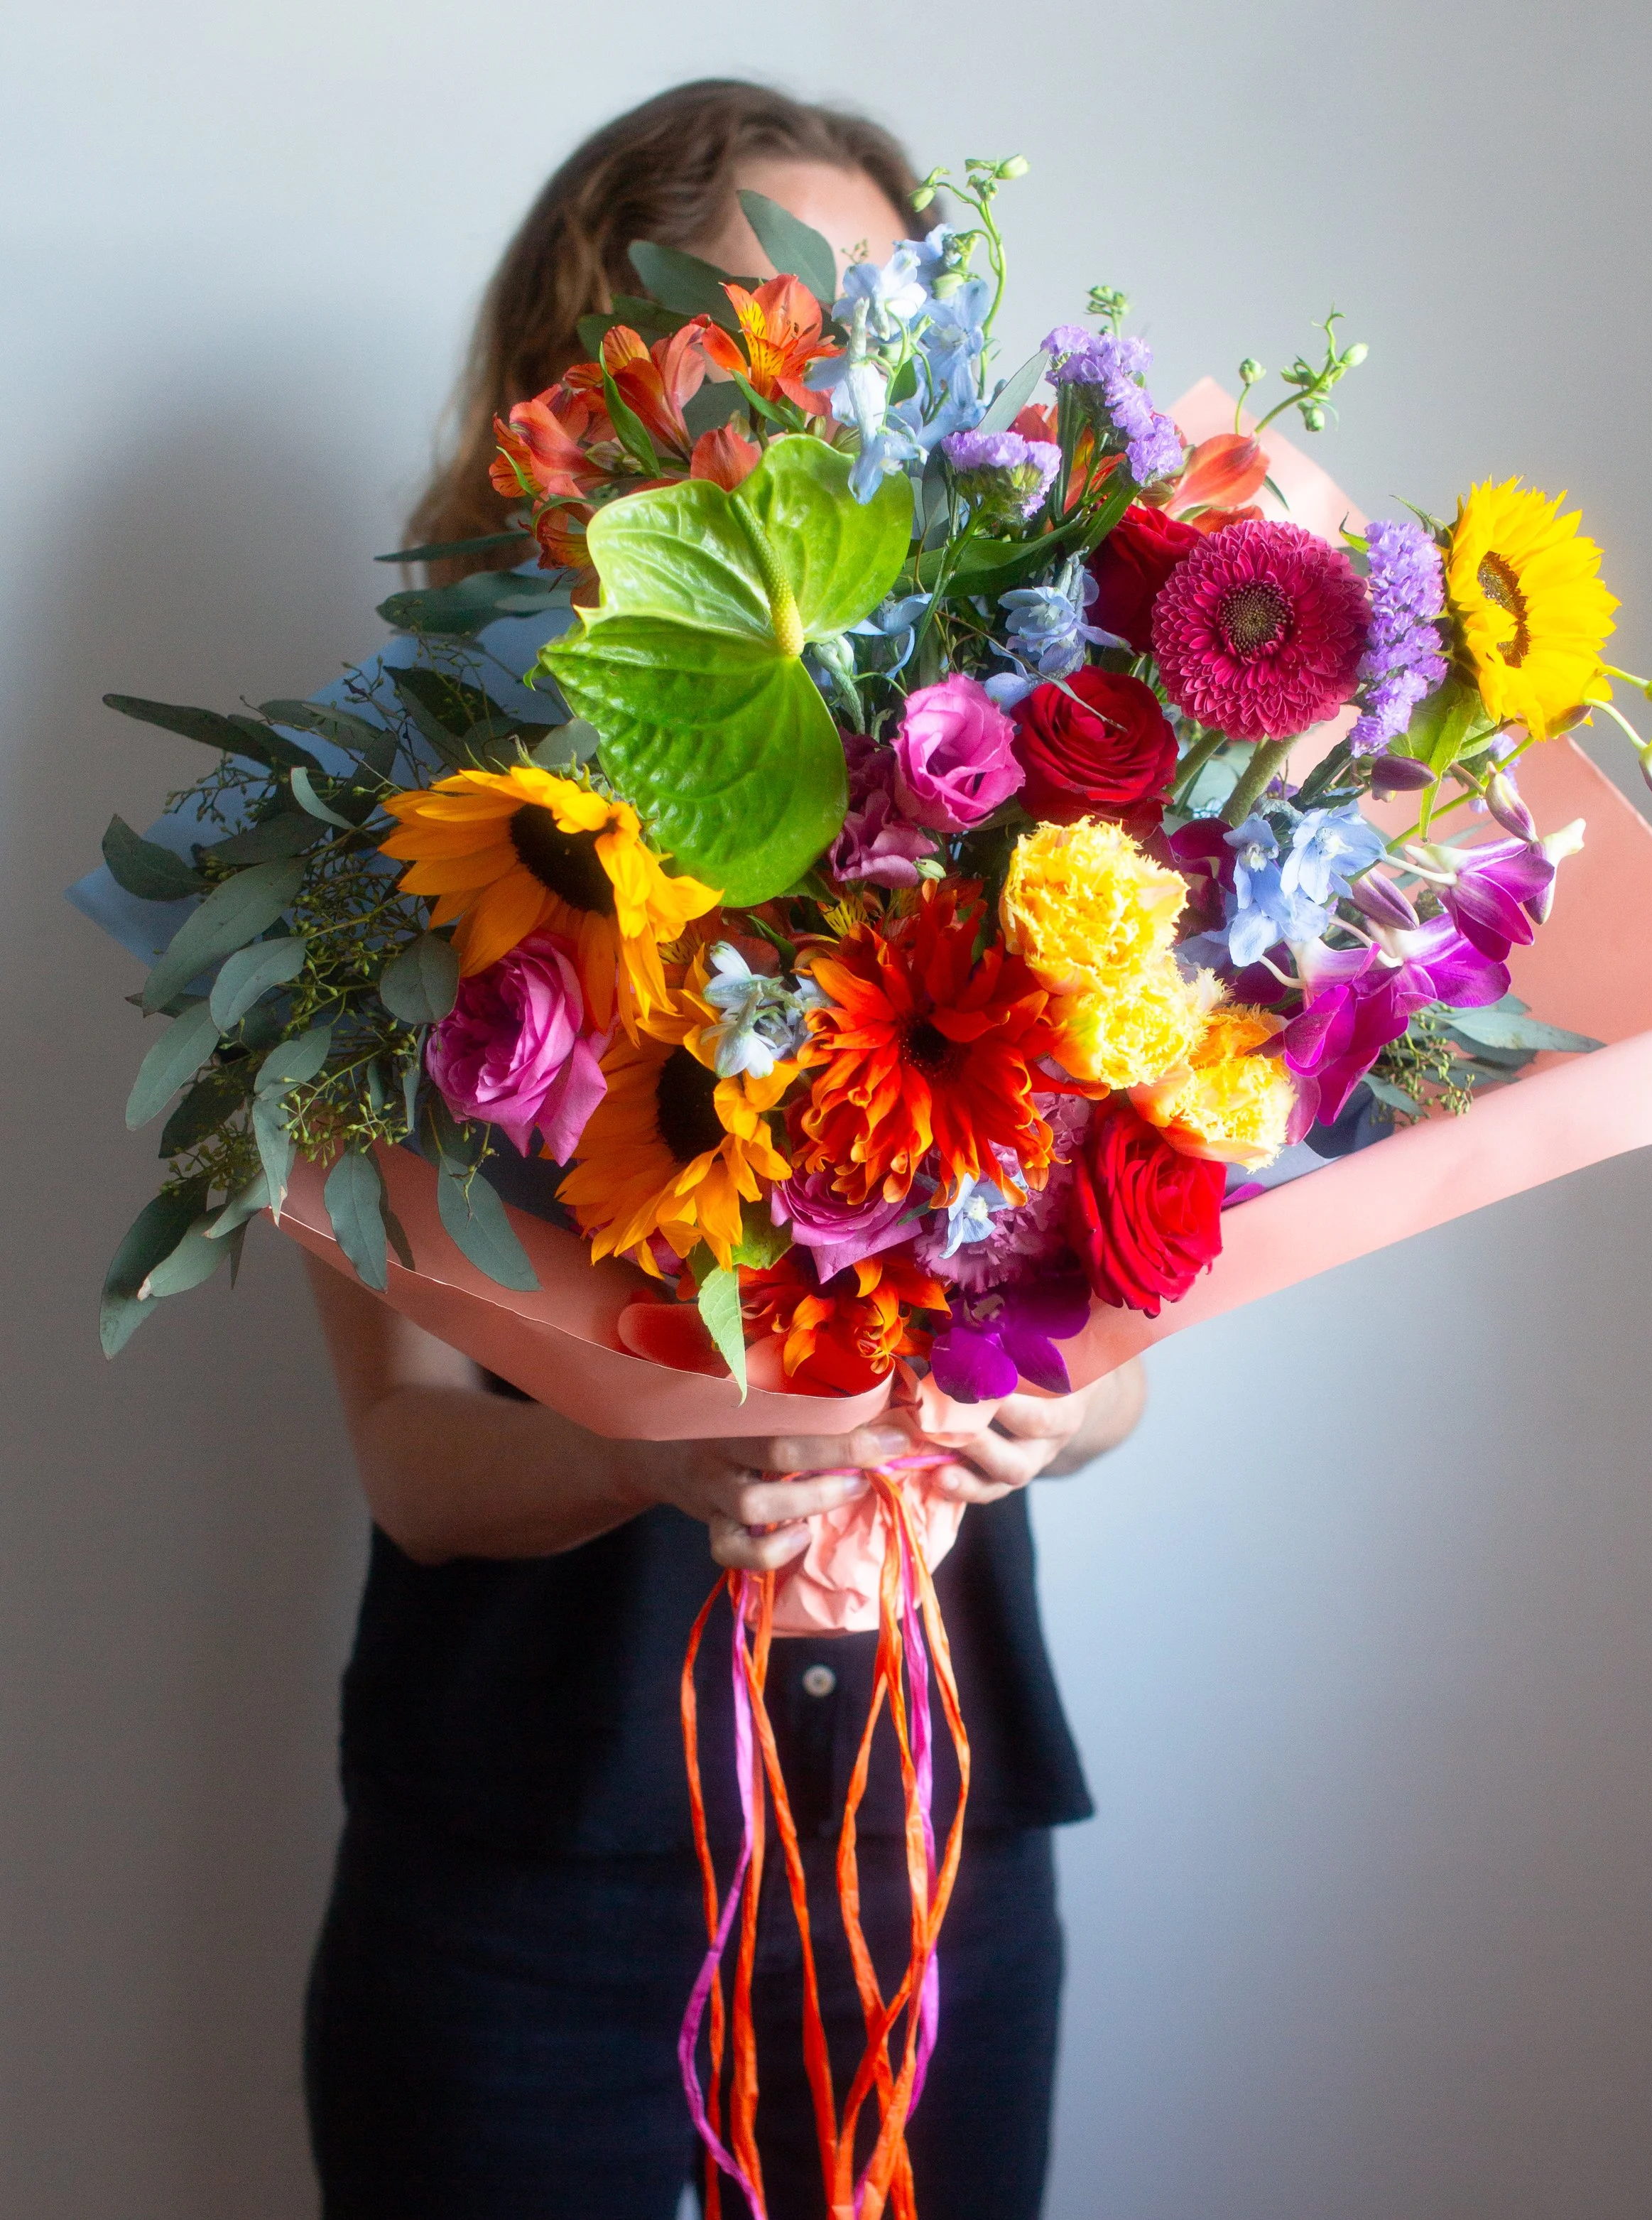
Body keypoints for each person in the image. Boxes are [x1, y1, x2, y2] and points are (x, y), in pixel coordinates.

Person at [303, 78, 1148, 2220]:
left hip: (922, 1826)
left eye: (893, 324)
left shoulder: (1011, 789)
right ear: (608, 355)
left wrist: (1033, 1412)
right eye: (798, 318)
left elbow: (1116, 1354)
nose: (850, 379)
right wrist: (645, 1451)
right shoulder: (398, 838)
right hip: (518, 1841)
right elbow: (409, 1457)